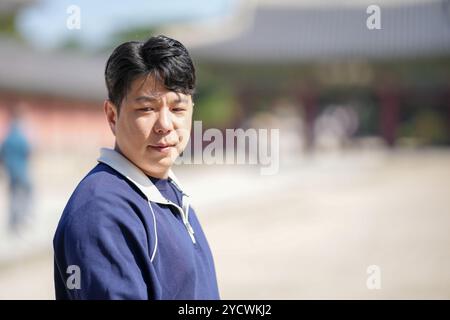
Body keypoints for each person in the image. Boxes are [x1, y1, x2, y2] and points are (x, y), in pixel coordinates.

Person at [53, 35, 220, 299]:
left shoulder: (167, 190)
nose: (165, 124)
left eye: (177, 108)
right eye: (146, 108)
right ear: (112, 115)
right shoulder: (102, 210)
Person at [0, 105, 32, 234]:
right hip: (22, 171)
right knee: (25, 194)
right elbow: (28, 151)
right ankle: (22, 220)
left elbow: (1, 154)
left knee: (13, 197)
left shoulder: (7, 136)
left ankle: (13, 222)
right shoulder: (22, 135)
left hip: (11, 171)